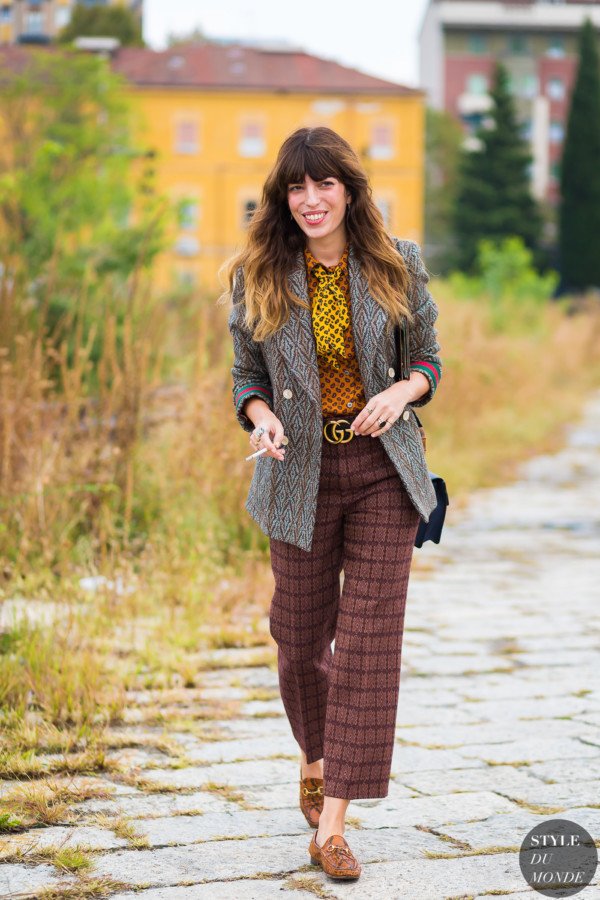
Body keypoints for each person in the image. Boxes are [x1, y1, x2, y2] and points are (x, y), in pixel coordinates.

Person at [224, 126, 442, 881]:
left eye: (324, 185)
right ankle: (313, 759)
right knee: (298, 637)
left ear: (349, 189)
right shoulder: (256, 272)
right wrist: (263, 418)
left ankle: (335, 828)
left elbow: (428, 357)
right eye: (297, 187)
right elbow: (244, 375)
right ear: (284, 197)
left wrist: (401, 389)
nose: (311, 200)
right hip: (298, 474)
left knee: (368, 649)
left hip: (384, 470)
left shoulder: (397, 263)